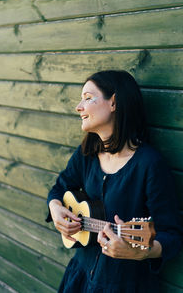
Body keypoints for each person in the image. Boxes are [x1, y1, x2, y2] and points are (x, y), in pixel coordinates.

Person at [46, 70, 182, 292]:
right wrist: (55, 209)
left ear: (114, 103)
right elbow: (60, 188)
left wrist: (142, 252)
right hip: (80, 277)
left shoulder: (149, 164)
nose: (79, 107)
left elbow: (171, 236)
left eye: (88, 98)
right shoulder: (87, 153)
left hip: (124, 286)